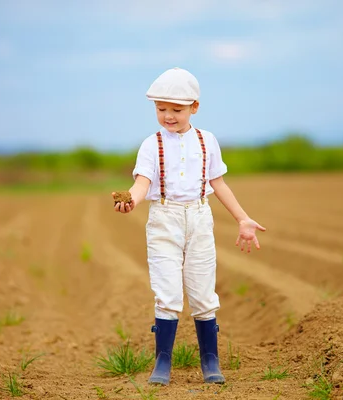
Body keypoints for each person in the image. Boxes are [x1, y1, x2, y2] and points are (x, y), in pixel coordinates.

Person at [112, 67, 266, 386]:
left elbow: (218, 183)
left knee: (202, 293)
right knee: (167, 293)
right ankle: (162, 363)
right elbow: (142, 183)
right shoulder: (151, 145)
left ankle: (210, 361)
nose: (168, 116)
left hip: (199, 218)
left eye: (176, 110)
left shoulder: (206, 141)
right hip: (164, 221)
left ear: (194, 107)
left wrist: (242, 218)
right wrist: (131, 201)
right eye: (161, 109)